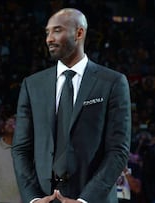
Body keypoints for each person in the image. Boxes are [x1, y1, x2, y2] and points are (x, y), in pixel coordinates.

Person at [11, 8, 131, 203]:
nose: (49, 38)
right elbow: (20, 149)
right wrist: (33, 198)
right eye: (47, 32)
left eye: (57, 30)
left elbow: (118, 150)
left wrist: (85, 200)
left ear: (79, 33)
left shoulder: (112, 82)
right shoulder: (32, 85)